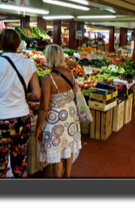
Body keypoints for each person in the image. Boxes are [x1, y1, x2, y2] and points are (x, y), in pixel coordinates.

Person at [0, 29, 41, 177]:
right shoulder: (29, 63)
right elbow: (36, 94)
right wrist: (21, 97)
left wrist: (0, 95)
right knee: (20, 166)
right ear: (18, 44)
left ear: (0, 43)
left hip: (0, 121)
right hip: (22, 120)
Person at [35, 45, 82, 177]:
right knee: (68, 147)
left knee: (57, 153)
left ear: (50, 57)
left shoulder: (47, 78)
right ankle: (67, 176)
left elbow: (44, 107)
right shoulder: (70, 73)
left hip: (56, 119)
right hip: (71, 115)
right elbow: (73, 94)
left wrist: (38, 127)